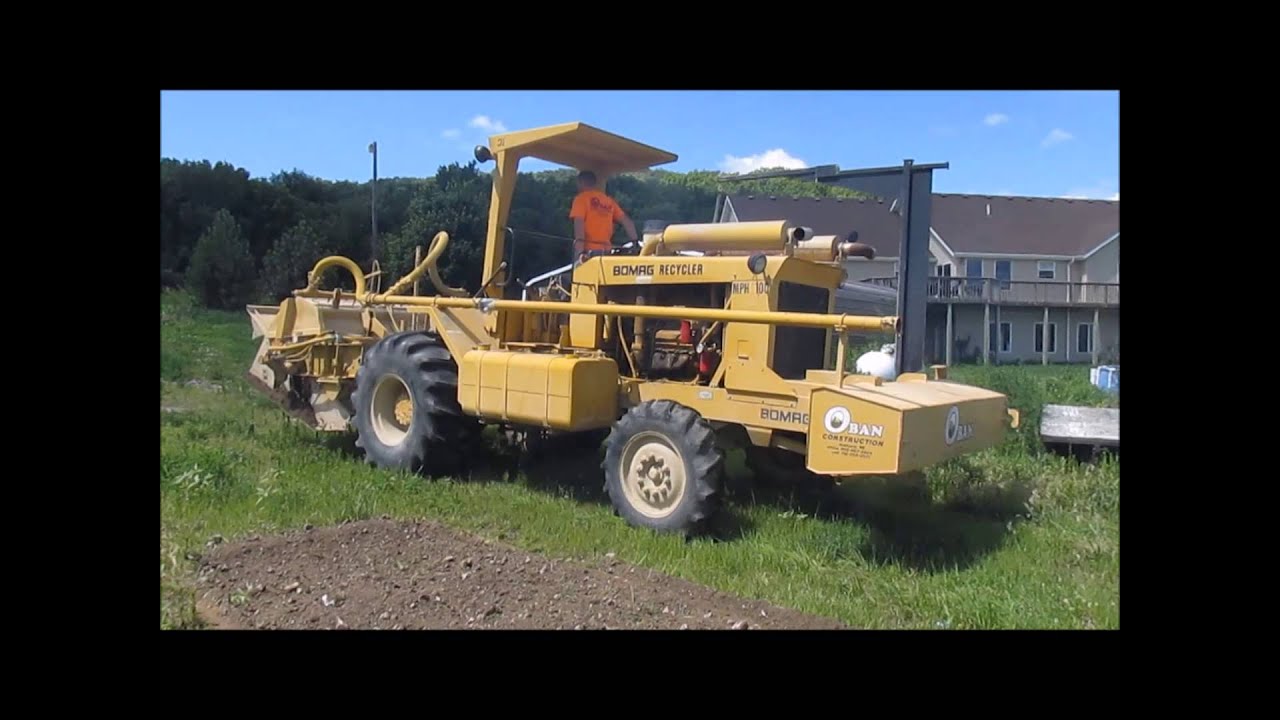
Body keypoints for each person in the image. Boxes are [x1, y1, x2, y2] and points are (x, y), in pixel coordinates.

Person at [569, 170, 637, 264]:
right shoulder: (608, 201)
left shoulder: (581, 199)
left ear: (580, 182)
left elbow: (579, 224)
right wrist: (635, 244)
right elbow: (628, 222)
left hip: (589, 253)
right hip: (607, 252)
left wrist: (580, 252)